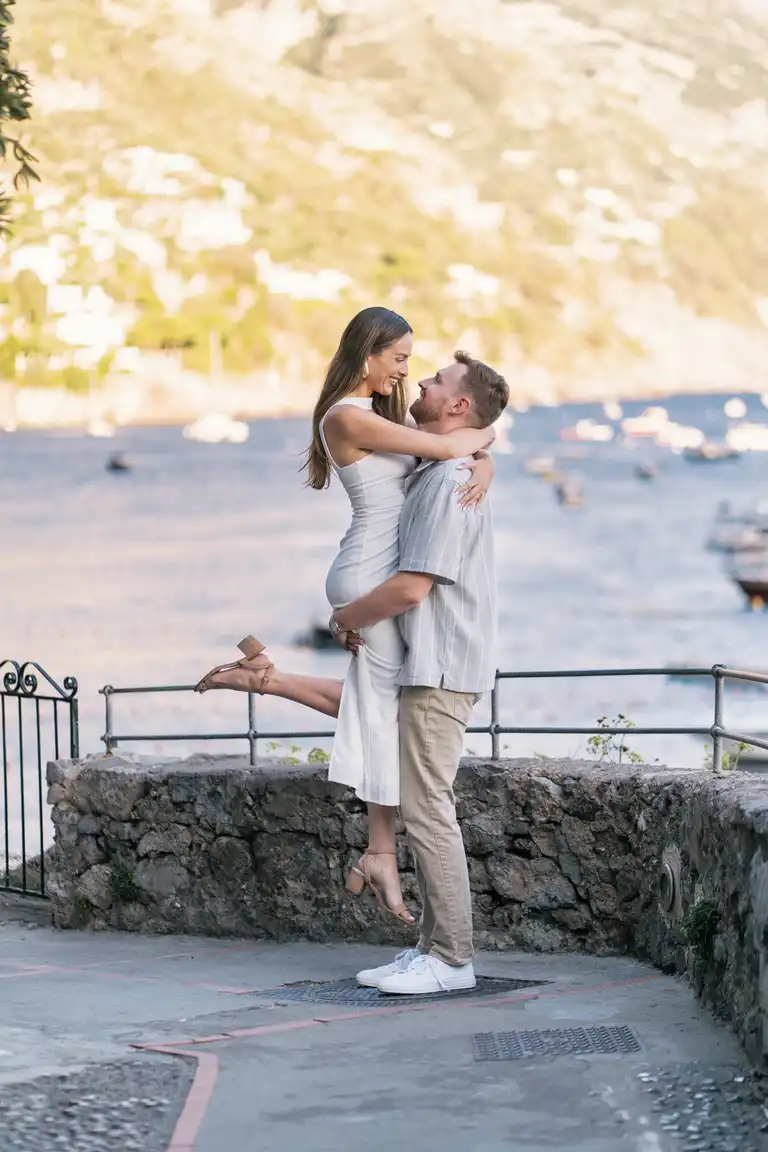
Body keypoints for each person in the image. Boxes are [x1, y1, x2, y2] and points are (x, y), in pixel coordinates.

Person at [195, 307, 496, 925]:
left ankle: (268, 681)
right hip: (366, 576)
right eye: (400, 359)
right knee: (382, 704)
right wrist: (480, 455)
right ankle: (380, 852)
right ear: (368, 354)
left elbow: (448, 452)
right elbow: (447, 445)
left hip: (369, 574)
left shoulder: (372, 417)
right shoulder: (346, 416)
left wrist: (482, 462)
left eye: (414, 363)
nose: (406, 373)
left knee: (376, 701)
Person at [328, 353, 508, 995]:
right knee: (424, 805)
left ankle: (452, 960)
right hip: (429, 662)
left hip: (440, 663)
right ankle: (430, 947)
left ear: (458, 406)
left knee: (429, 810)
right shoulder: (443, 467)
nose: (422, 383)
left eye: (436, 381)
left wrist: (345, 616)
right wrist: (484, 451)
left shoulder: (446, 481)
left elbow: (409, 589)